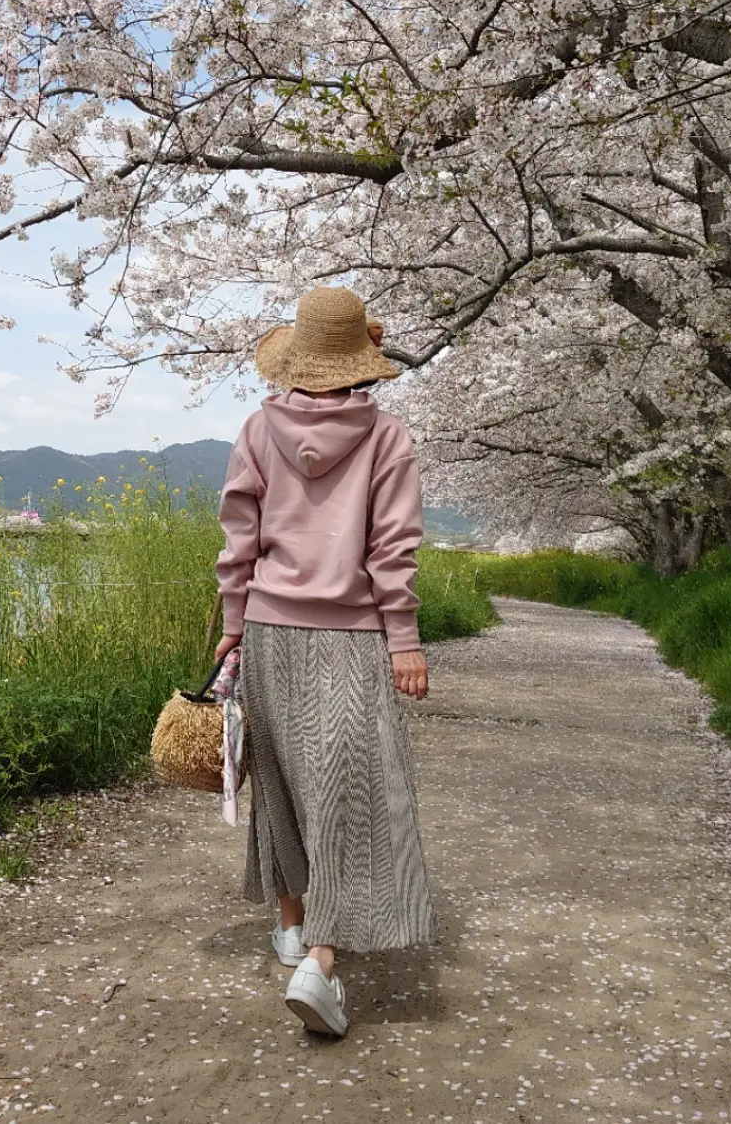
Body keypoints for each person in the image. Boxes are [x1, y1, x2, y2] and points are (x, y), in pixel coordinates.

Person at [213, 285, 436, 1038]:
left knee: (281, 784)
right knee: (349, 794)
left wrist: (234, 626)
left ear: (298, 362)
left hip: (272, 631)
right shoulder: (387, 438)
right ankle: (322, 959)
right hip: (351, 636)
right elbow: (392, 551)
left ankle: (291, 925)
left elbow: (238, 542)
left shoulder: (256, 430)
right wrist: (402, 639)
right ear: (362, 366)